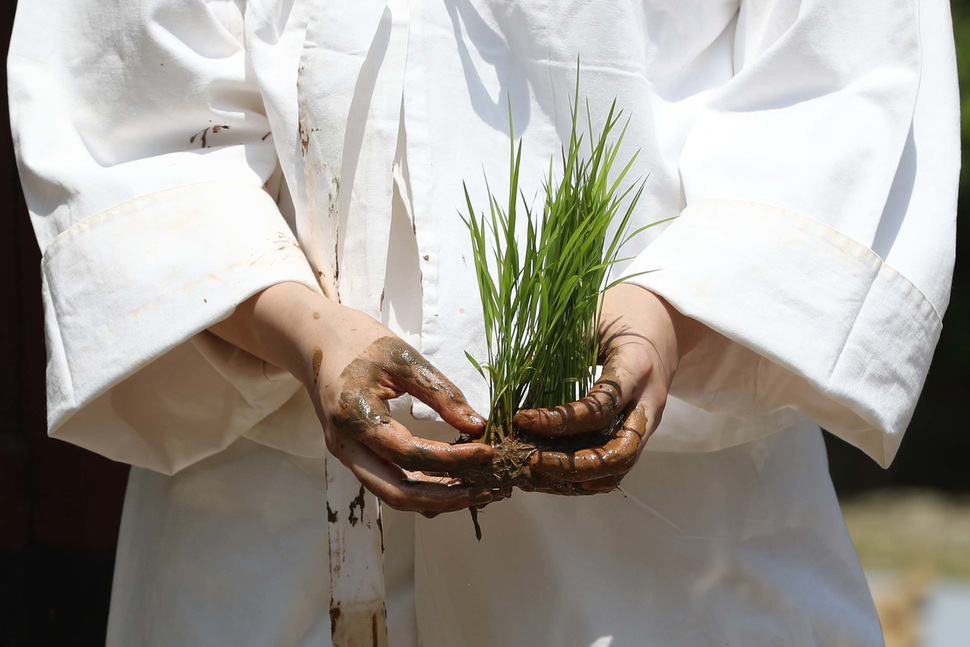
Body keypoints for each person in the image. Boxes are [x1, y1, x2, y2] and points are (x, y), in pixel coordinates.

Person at [8, 0, 958, 644]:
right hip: (269, 518)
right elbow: (123, 98)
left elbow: (841, 79)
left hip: (674, 550)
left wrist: (667, 313)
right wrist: (300, 330)